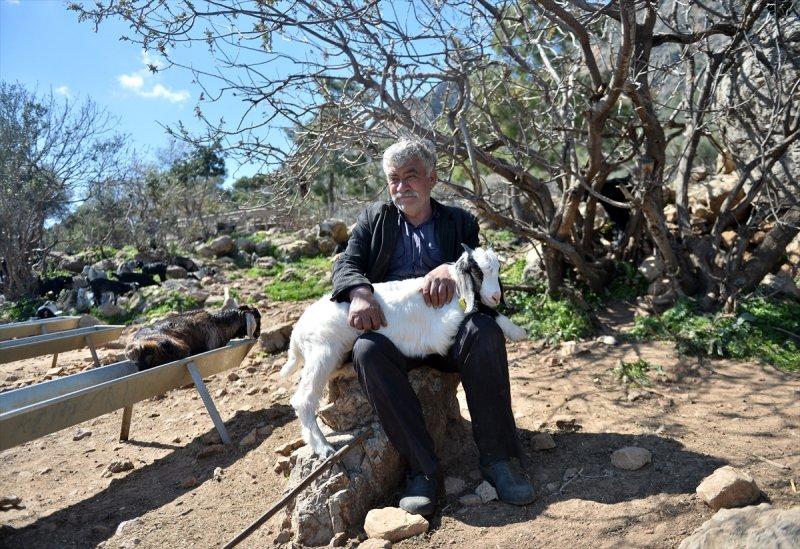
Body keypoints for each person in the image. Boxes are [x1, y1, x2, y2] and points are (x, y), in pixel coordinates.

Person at [331, 138, 534, 515]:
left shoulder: (459, 222)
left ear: (431, 179)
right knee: (367, 350)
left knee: (484, 332)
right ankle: (422, 471)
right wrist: (360, 292)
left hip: (446, 332)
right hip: (397, 334)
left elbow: (478, 267)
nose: (402, 186)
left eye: (411, 177)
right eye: (394, 179)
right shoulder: (375, 220)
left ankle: (500, 460)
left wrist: (451, 266)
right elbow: (345, 264)